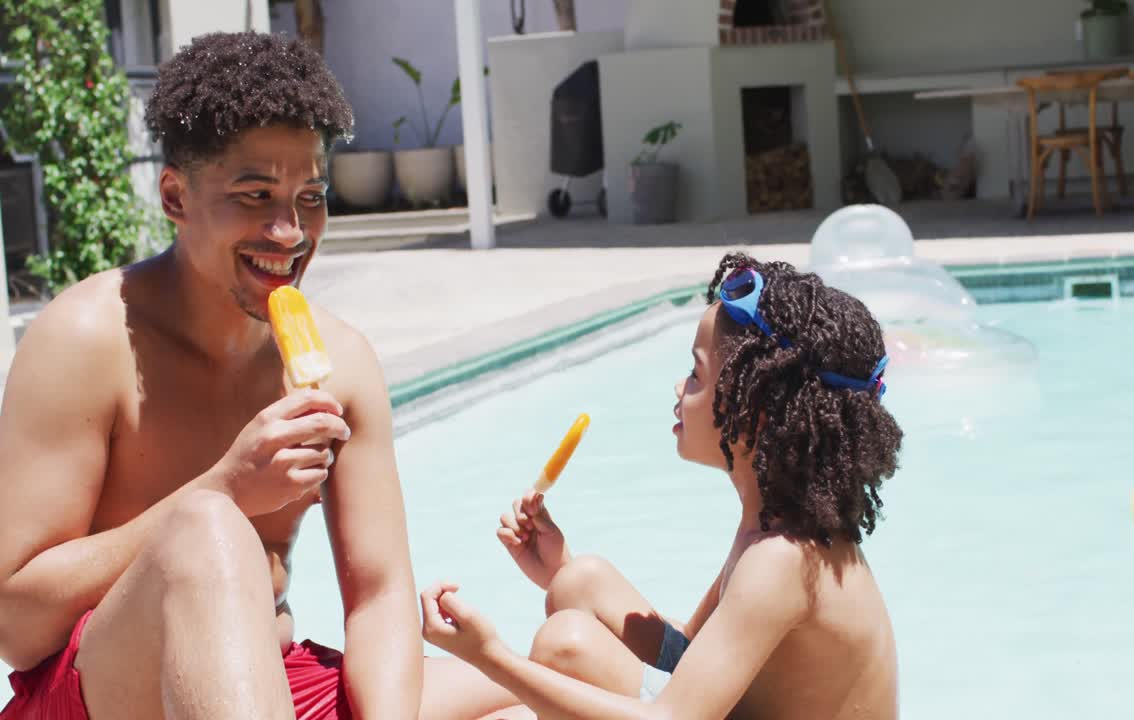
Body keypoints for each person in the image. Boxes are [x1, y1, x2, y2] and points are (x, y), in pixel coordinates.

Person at [0, 31, 521, 720]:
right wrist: (226, 488)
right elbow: (15, 624)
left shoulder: (341, 361)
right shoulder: (88, 339)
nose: (290, 231)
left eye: (311, 195)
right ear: (176, 197)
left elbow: (379, 594)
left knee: (549, 685)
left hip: (259, 681)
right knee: (206, 531)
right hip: (93, 692)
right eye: (255, 195)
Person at [421, 252, 906, 719]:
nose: (679, 387)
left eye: (696, 374)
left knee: (566, 646)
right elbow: (696, 649)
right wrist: (559, 570)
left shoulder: (781, 561)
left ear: (753, 410)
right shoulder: (773, 526)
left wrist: (491, 657)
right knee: (582, 581)